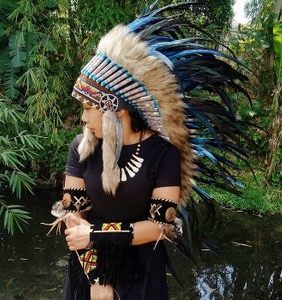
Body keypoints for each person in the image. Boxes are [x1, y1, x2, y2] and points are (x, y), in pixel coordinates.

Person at [50, 2, 251, 300]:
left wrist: (94, 234)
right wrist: (97, 278)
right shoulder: (81, 147)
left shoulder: (163, 154)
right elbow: (72, 214)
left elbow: (160, 227)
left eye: (89, 108)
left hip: (141, 274)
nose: (83, 117)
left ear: (116, 111)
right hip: (87, 268)